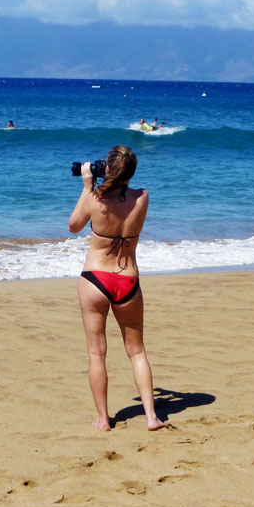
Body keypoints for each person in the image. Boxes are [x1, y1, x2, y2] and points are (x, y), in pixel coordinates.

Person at [68, 145, 164, 432]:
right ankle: (151, 417)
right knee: (136, 351)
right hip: (128, 280)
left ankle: (103, 419)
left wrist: (87, 186)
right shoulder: (142, 198)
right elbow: (124, 198)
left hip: (96, 279)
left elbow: (74, 226)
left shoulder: (95, 198)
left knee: (97, 352)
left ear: (107, 168)